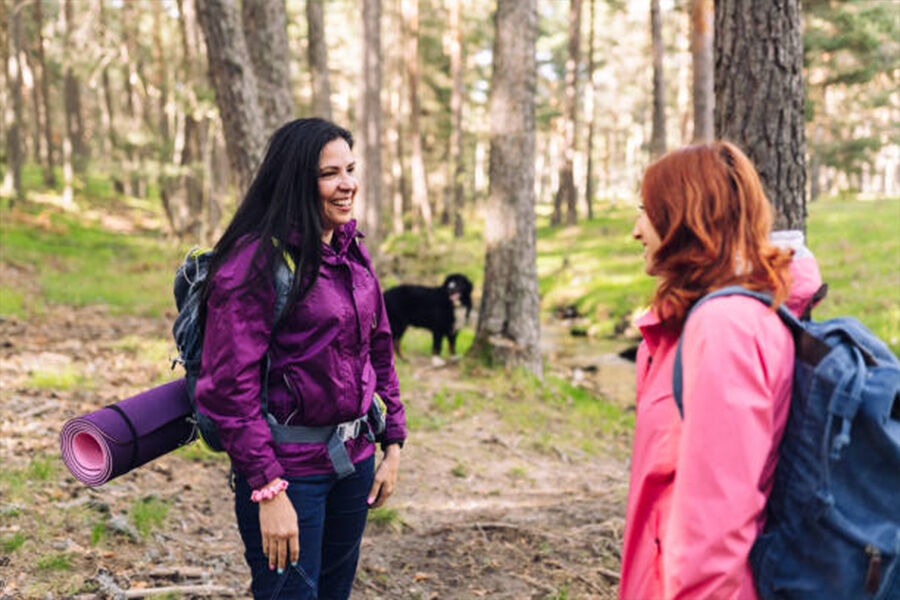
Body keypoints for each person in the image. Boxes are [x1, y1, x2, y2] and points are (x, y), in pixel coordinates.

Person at [194, 118, 406, 599]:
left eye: (350, 169)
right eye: (330, 174)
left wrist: (392, 440)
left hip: (353, 464)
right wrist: (268, 489)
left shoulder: (351, 252)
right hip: (290, 474)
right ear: (296, 181)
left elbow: (380, 348)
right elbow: (231, 390)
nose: (347, 183)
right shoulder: (253, 263)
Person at [618, 141, 822, 600]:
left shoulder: (725, 327)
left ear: (683, 216)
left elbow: (717, 527)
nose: (636, 230)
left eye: (646, 211)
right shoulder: (693, 323)